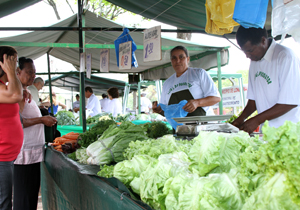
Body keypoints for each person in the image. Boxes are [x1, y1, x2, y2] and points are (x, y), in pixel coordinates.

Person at [232, 26, 300, 133]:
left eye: (250, 50)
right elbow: (254, 99)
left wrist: (256, 120)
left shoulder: (286, 57)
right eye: (245, 52)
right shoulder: (254, 61)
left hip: (289, 134)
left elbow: (290, 102)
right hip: (267, 133)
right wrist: (241, 118)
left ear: (263, 41)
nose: (247, 56)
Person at [14, 57, 57, 210]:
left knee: (30, 195)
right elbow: (18, 122)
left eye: (34, 72)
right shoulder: (16, 93)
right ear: (18, 72)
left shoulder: (25, 91)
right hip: (23, 154)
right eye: (29, 72)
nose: (33, 76)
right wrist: (41, 120)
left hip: (31, 152)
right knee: (24, 197)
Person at [153, 45, 220, 117]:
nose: (178, 61)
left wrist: (197, 103)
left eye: (181, 57)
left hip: (203, 125)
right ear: (171, 61)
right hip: (181, 127)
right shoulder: (167, 83)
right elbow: (166, 111)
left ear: (188, 59)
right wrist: (159, 111)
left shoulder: (199, 73)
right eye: (174, 58)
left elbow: (216, 98)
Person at [0, 46, 23, 210]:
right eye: (13, 61)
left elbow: (17, 99)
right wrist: (11, 73)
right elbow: (15, 95)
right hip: (1, 157)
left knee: (5, 199)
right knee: (4, 203)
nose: (16, 65)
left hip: (7, 156)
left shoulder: (4, 85)